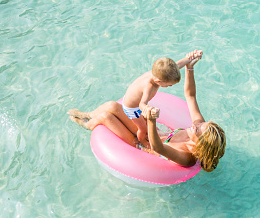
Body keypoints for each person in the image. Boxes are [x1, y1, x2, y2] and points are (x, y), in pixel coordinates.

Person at [68, 52, 226, 172]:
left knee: (106, 117)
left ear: (200, 143)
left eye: (198, 129)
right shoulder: (198, 128)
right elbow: (190, 96)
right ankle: (87, 115)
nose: (195, 125)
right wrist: (189, 67)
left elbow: (159, 149)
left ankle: (85, 124)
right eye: (199, 125)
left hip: (140, 146)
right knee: (112, 105)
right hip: (148, 135)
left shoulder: (187, 158)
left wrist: (151, 120)